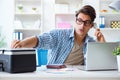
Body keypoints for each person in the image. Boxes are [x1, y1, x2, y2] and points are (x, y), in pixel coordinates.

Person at [11, 5, 105, 65]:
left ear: (92, 26)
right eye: (79, 21)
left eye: (87, 22)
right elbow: (39, 40)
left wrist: (101, 41)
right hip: (56, 76)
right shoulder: (59, 34)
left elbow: (103, 62)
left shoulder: (91, 43)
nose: (82, 25)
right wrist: (22, 43)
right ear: (75, 20)